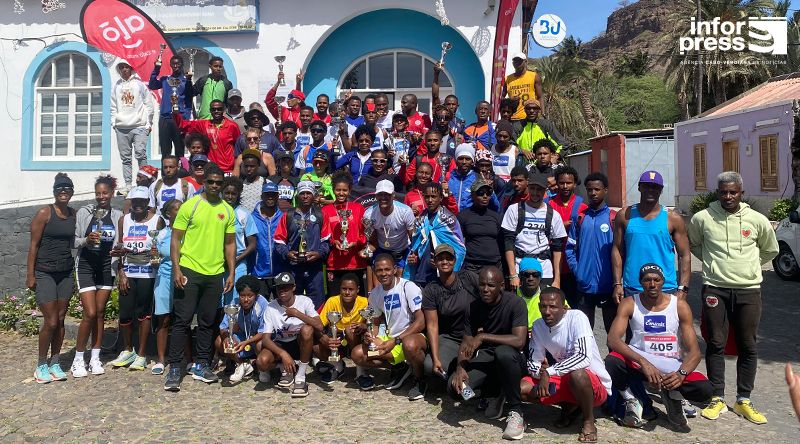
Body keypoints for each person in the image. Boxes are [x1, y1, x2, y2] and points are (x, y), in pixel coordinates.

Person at [687, 171, 779, 424]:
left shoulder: (757, 219)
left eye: (733, 192)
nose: (728, 196)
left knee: (748, 344)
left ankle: (743, 400)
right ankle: (717, 398)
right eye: (723, 192)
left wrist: (748, 267)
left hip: (749, 289)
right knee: (715, 342)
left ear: (741, 192)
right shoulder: (702, 218)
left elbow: (771, 249)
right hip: (715, 288)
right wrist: (714, 264)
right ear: (717, 192)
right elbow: (693, 244)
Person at [605, 263, 713, 429]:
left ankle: (673, 395)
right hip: (640, 360)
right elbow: (613, 339)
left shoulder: (679, 305)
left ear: (663, 282)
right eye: (647, 280)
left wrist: (681, 374)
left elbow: (695, 352)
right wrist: (643, 362)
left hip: (670, 363)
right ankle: (630, 399)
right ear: (641, 282)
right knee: (612, 361)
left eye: (656, 280)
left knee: (704, 389)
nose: (652, 284)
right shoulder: (629, 303)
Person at [164, 162, 236, 392]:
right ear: (204, 182)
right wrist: (177, 268)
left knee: (207, 322)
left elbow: (230, 243)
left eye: (218, 182)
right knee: (182, 321)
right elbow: (175, 239)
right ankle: (175, 367)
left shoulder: (227, 209)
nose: (214, 186)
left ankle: (202, 364)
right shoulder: (190, 206)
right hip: (189, 269)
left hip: (214, 273)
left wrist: (231, 271)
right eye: (211, 182)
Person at [522, 288, 612, 443]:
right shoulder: (538, 325)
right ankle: (570, 405)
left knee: (577, 374)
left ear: (564, 308)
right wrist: (539, 373)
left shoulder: (577, 317)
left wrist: (549, 371)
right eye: (543, 306)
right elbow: (533, 361)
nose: (547, 312)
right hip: (562, 378)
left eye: (553, 307)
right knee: (522, 388)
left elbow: (584, 357)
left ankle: (588, 421)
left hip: (592, 383)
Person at [450, 266, 528, 440]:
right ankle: (493, 393)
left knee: (503, 353)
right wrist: (460, 367)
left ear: (501, 286)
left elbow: (519, 340)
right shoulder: (474, 306)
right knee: (455, 389)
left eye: (491, 285)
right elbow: (466, 340)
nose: (485, 289)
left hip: (513, 359)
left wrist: (484, 336)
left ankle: (516, 411)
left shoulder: (516, 303)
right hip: (488, 357)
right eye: (482, 284)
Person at [351, 254, 428, 400]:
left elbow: (421, 322)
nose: (383, 273)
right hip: (390, 337)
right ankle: (399, 367)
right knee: (358, 354)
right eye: (379, 270)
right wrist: (371, 337)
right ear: (374, 271)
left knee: (410, 345)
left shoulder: (408, 287)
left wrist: (396, 340)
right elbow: (374, 322)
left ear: (394, 269)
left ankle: (419, 379)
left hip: (411, 336)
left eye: (387, 269)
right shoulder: (375, 293)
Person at [612, 170, 691, 303]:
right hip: (633, 287)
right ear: (639, 187)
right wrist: (617, 284)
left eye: (655, 187)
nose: (651, 190)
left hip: (665, 288)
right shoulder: (624, 215)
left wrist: (683, 288)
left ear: (661, 190)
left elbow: (684, 255)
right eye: (646, 186)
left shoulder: (673, 218)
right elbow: (617, 250)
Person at [71, 175, 123, 378]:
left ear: (111, 193)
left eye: (105, 193)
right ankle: (78, 359)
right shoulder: (85, 212)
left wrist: (119, 252)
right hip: (85, 265)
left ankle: (95, 357)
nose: (101, 196)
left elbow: (119, 242)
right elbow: (73, 241)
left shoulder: (118, 215)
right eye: (98, 193)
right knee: (90, 313)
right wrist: (86, 239)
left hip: (105, 267)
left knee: (100, 313)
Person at [27, 173, 76, 383]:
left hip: (65, 272)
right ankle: (41, 365)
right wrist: (30, 274)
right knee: (51, 320)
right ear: (54, 192)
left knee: (62, 318)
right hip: (45, 271)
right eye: (59, 189)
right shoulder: (44, 213)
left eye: (67, 189)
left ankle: (55, 362)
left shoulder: (74, 214)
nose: (63, 192)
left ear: (72, 192)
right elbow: (33, 245)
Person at [112, 186, 161, 371]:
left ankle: (141, 353)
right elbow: (119, 248)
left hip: (148, 273)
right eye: (135, 201)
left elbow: (160, 247)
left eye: (142, 201)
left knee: (143, 313)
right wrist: (121, 273)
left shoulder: (157, 221)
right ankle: (127, 349)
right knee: (125, 313)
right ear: (130, 202)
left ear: (148, 203)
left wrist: (155, 254)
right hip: (128, 272)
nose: (138, 205)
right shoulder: (124, 220)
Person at [255, 271, 323, 397]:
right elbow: (266, 339)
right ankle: (285, 368)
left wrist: (297, 314)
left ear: (294, 287)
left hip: (300, 344)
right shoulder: (271, 307)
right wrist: (283, 354)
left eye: (286, 288)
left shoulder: (304, 301)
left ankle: (301, 375)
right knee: (261, 362)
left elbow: (319, 325)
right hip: (281, 344)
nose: (282, 291)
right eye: (279, 288)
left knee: (307, 330)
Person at [565, 172, 618, 332]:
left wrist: (617, 279)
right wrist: (578, 271)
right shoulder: (580, 218)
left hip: (608, 285)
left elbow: (622, 251)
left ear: (606, 190)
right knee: (585, 333)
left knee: (612, 333)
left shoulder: (613, 218)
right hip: (584, 285)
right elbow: (570, 248)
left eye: (597, 189)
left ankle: (612, 358)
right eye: (589, 190)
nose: (593, 193)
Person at [502, 172, 567, 290]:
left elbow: (557, 249)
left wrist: (557, 280)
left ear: (545, 191)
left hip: (544, 270)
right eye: (532, 188)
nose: (535, 193)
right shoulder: (514, 209)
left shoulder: (553, 215)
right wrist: (512, 275)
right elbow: (508, 243)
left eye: (539, 189)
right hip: (519, 268)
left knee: (543, 306)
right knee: (519, 306)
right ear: (528, 187)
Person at [422, 245, 479, 381]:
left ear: (455, 260)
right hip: (451, 338)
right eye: (440, 259)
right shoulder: (431, 289)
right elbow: (432, 325)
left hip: (474, 335)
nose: (445, 262)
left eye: (449, 258)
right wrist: (436, 358)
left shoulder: (469, 278)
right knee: (430, 366)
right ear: (434, 262)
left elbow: (487, 298)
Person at [273, 181, 331, 308]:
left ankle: (317, 328)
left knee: (317, 306)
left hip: (315, 268)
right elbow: (278, 241)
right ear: (297, 196)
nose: (305, 196)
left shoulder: (321, 215)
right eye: (302, 193)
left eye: (308, 193)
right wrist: (287, 254)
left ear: (314, 195)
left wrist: (319, 254)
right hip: (293, 268)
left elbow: (326, 241)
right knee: (293, 304)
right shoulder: (288, 215)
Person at [405, 183, 465, 287]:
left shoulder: (449, 220)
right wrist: (413, 257)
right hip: (421, 275)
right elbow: (415, 247)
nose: (430, 200)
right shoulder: (420, 220)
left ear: (441, 198)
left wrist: (443, 263)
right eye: (427, 197)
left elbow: (459, 248)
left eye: (433, 196)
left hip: (442, 277)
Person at [315, 273, 369, 383]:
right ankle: (338, 366)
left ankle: (360, 371)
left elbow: (373, 323)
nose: (347, 292)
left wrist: (364, 325)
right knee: (316, 345)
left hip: (355, 337)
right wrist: (325, 338)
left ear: (357, 289)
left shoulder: (364, 302)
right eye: (344, 289)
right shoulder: (332, 301)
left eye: (351, 289)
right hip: (336, 336)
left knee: (350, 330)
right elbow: (319, 324)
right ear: (339, 289)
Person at [215, 275, 268, 383]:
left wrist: (247, 342)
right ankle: (242, 364)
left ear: (256, 295)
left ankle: (263, 369)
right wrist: (226, 337)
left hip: (256, 339)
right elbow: (223, 328)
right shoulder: (234, 304)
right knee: (219, 341)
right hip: (242, 338)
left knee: (260, 344)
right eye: (242, 295)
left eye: (250, 296)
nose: (246, 299)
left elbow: (264, 332)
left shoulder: (262, 304)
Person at [111, 61, 154, 195]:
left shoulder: (139, 84)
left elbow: (149, 104)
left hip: (139, 125)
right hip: (122, 126)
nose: (124, 70)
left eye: (126, 67)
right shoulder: (117, 86)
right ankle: (128, 184)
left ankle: (145, 182)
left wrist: (149, 123)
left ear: (131, 68)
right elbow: (113, 105)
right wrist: (114, 122)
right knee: (125, 157)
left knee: (141, 153)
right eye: (121, 67)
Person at [322, 172, 367, 296]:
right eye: (338, 190)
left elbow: (365, 234)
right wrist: (333, 241)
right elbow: (324, 235)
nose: (341, 193)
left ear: (350, 190)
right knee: (335, 299)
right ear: (333, 189)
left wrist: (356, 242)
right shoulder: (326, 210)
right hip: (335, 264)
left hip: (355, 263)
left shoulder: (358, 208)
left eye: (344, 190)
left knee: (358, 300)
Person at [548, 166, 587, 307]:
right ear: (556, 183)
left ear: (575, 184)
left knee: (576, 307)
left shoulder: (582, 207)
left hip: (574, 267)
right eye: (561, 183)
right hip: (552, 265)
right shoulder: (548, 205)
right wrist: (560, 227)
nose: (565, 186)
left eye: (568, 183)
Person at [152, 199, 182, 375]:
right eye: (177, 209)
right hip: (164, 279)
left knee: (182, 319)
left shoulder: (189, 232)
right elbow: (155, 260)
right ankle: (161, 359)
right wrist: (154, 255)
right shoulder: (161, 234)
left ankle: (187, 358)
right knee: (163, 320)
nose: (181, 211)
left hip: (183, 278)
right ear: (169, 214)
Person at [364, 180, 416, 279]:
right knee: (379, 277)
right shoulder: (368, 214)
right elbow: (373, 240)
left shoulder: (405, 211)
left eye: (387, 194)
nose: (383, 198)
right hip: (382, 250)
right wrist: (367, 250)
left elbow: (413, 236)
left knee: (401, 280)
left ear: (393, 195)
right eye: (380, 194)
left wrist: (413, 254)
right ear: (376, 196)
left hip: (403, 250)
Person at [173, 98, 241, 173]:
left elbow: (239, 148)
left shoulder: (232, 126)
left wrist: (236, 168)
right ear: (210, 111)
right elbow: (182, 125)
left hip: (228, 169)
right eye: (213, 109)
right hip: (210, 169)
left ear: (224, 110)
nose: (216, 111)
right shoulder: (204, 125)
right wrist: (175, 109)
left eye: (219, 109)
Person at [221, 176, 258, 305]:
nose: (230, 196)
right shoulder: (216, 212)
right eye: (227, 193)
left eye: (233, 194)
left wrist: (236, 260)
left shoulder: (245, 214)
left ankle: (232, 326)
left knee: (234, 302)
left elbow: (252, 244)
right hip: (217, 263)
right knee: (217, 302)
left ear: (239, 194)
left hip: (238, 263)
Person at [149, 55, 193, 158]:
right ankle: (166, 174)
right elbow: (152, 85)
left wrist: (185, 117)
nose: (176, 66)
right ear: (170, 65)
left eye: (178, 64)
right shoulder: (165, 79)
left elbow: (189, 101)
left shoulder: (186, 81)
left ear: (182, 64)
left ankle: (182, 173)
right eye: (173, 64)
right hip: (165, 118)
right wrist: (156, 69)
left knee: (180, 151)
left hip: (179, 119)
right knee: (165, 151)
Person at [458, 180, 504, 273]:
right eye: (481, 193)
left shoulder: (496, 216)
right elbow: (457, 241)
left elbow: (503, 241)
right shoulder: (463, 216)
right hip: (472, 265)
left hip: (494, 264)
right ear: (473, 195)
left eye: (488, 193)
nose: (485, 196)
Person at [251, 181, 284, 296]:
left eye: (273, 194)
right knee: (260, 309)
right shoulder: (251, 218)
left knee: (281, 310)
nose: (270, 197)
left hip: (279, 272)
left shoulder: (284, 218)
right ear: (262, 196)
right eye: (267, 194)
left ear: (278, 196)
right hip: (259, 273)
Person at [448, 144, 500, 213]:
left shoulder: (478, 179)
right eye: (460, 158)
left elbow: (496, 207)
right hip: (449, 219)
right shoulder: (447, 178)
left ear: (472, 162)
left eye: (467, 159)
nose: (464, 162)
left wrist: (490, 191)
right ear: (456, 160)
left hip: (470, 220)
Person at [503, 52, 544, 121]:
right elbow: (501, 98)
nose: (517, 63)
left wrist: (542, 113)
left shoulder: (534, 76)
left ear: (525, 62)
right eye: (515, 61)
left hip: (529, 117)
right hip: (513, 118)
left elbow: (540, 96)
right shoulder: (508, 79)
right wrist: (510, 100)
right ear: (513, 63)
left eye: (520, 61)